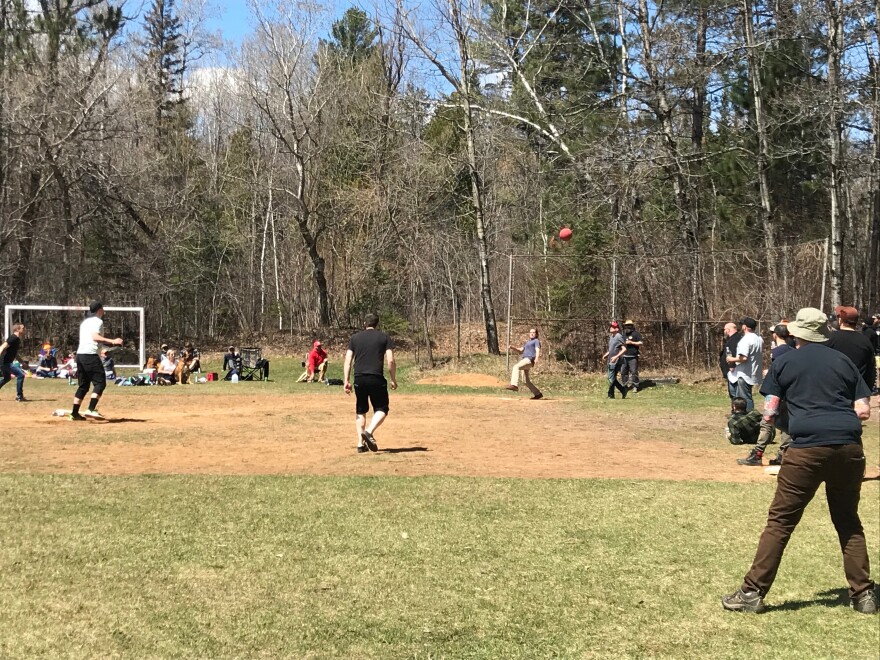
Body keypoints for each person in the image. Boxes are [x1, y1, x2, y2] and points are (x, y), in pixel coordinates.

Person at [721, 307, 875, 615]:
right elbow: (863, 410)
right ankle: (864, 595)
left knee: (780, 522)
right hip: (849, 448)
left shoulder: (785, 360)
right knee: (847, 521)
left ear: (795, 334)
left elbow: (769, 409)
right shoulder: (844, 361)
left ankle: (752, 592)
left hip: (806, 450)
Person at [738, 324, 796, 466]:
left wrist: (769, 373)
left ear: (775, 335)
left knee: (766, 422)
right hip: (789, 392)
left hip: (776, 392)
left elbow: (779, 372)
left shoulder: (778, 351)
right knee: (786, 425)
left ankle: (757, 454)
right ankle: (783, 455)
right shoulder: (793, 350)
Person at [343, 313, 397, 453]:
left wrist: (346, 380)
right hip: (376, 377)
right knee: (382, 408)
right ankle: (369, 432)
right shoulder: (384, 337)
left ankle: (360, 444)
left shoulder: (355, 338)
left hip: (359, 377)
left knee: (361, 410)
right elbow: (390, 360)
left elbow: (348, 360)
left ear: (364, 323)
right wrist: (393, 379)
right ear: (377, 324)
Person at [69, 301, 123, 420]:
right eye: (103, 308)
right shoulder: (98, 321)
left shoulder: (85, 322)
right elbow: (95, 337)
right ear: (99, 309)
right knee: (100, 383)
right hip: (90, 355)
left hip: (80, 355)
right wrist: (113, 341)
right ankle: (91, 409)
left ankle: (74, 413)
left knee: (83, 386)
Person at [826, 306, 876, 393]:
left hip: (834, 388)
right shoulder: (865, 341)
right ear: (856, 321)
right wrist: (867, 389)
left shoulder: (831, 338)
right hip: (857, 389)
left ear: (840, 320)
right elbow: (870, 368)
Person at [725, 317, 763, 412]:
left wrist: (731, 359)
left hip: (744, 374)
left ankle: (749, 420)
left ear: (745, 327)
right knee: (744, 397)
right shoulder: (759, 338)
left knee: (744, 399)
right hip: (753, 372)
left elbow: (743, 358)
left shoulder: (745, 340)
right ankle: (742, 419)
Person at [505, 327, 543, 400]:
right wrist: (513, 348)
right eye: (530, 332)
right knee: (525, 381)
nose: (531, 333)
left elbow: (537, 350)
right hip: (525, 359)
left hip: (529, 359)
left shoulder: (536, 341)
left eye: (533, 332)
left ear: (536, 334)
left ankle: (514, 385)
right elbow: (521, 350)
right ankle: (538, 394)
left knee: (516, 367)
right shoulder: (528, 342)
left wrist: (536, 358)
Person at [0, 323, 28, 402]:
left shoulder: (17, 339)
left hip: (5, 362)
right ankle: (19, 396)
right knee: (21, 375)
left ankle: (20, 396)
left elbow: (15, 353)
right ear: (17, 329)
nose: (24, 329)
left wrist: (22, 363)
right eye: (23, 328)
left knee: (7, 378)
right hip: (5, 362)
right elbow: (2, 347)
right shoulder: (13, 338)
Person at [720, 322, 742, 413]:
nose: (724, 331)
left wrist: (731, 366)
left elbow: (733, 352)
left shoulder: (734, 340)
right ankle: (734, 411)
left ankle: (736, 412)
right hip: (731, 371)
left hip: (733, 372)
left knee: (734, 394)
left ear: (728, 330)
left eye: (725, 329)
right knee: (733, 393)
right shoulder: (733, 339)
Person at [602, 321, 627, 399]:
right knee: (611, 378)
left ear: (617, 329)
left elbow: (624, 349)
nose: (611, 328)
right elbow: (612, 349)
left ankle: (612, 394)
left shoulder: (619, 336)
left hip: (616, 360)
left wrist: (616, 357)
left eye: (613, 327)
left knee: (611, 377)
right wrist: (607, 354)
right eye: (611, 326)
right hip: (611, 359)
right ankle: (620, 391)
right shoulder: (611, 337)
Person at [620, 319, 643, 392]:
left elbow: (640, 343)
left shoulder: (636, 334)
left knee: (634, 372)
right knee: (623, 372)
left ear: (632, 326)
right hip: (624, 356)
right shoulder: (623, 335)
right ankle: (624, 385)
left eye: (629, 325)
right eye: (626, 326)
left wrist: (631, 342)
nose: (627, 327)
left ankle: (635, 386)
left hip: (633, 357)